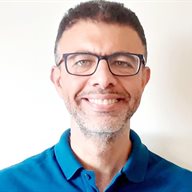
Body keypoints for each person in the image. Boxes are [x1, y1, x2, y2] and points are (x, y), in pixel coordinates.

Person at [0, 0, 191, 191]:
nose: (103, 79)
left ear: (143, 79)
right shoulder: (7, 185)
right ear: (58, 80)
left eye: (122, 62)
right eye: (83, 61)